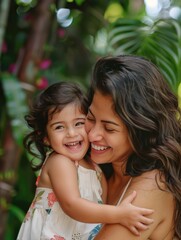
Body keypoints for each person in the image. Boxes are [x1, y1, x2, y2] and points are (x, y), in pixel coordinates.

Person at [16, 82, 153, 240]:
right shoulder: (60, 162)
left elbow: (102, 208)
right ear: (46, 137)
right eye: (59, 127)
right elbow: (72, 205)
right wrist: (119, 214)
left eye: (79, 123)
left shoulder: (96, 167)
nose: (72, 133)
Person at [85, 54, 181, 239]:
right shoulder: (99, 171)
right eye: (90, 118)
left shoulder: (152, 185)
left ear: (140, 130)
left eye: (109, 128)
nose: (92, 134)